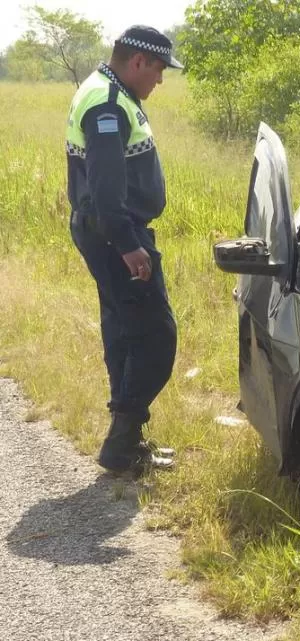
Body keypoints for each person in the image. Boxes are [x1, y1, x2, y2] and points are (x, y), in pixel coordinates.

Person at [65, 26, 183, 475]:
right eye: (157, 70)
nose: (160, 80)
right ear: (137, 61)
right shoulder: (108, 105)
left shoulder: (104, 90)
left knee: (124, 330)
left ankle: (126, 442)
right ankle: (120, 445)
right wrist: (129, 246)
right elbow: (106, 189)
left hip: (106, 231)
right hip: (115, 234)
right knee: (156, 336)